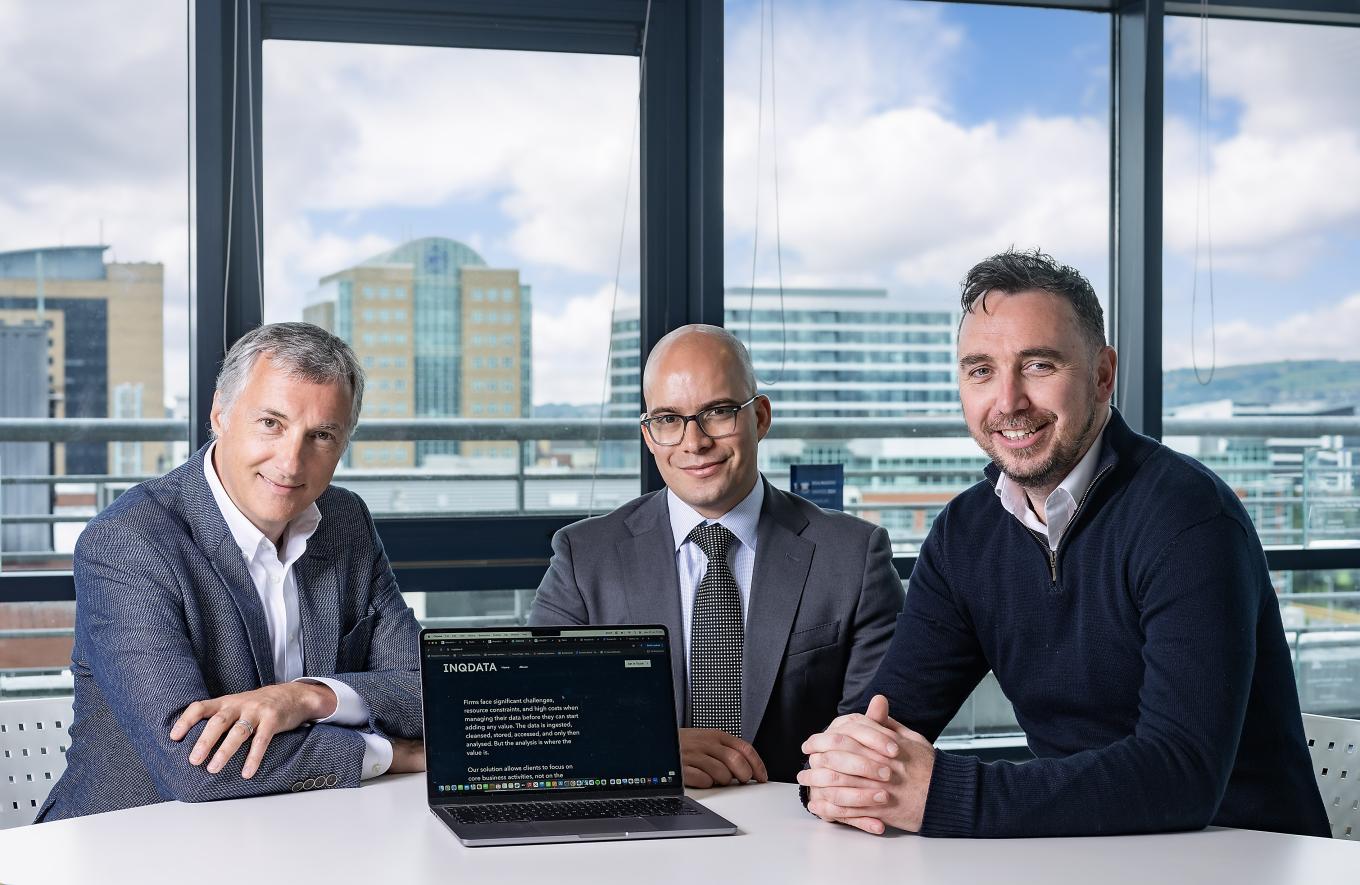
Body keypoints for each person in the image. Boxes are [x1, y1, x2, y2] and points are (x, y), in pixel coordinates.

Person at [799, 249, 1330, 838]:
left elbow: (1181, 775)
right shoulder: (965, 535)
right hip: (1079, 854)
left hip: (1238, 859)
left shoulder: (1189, 518)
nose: (1007, 402)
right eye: (980, 371)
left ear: (1102, 375)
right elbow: (888, 719)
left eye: (1039, 366)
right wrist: (843, 767)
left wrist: (945, 795)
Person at [39, 322, 425, 821]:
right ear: (220, 414)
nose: (290, 462)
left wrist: (310, 697)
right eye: (271, 423)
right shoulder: (128, 541)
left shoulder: (345, 521)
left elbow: (426, 689)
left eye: (322, 435)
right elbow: (196, 762)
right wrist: (389, 754)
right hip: (137, 841)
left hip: (309, 827)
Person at [530, 324, 903, 786]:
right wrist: (650, 747)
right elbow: (537, 719)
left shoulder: (852, 557)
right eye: (668, 419)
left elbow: (871, 742)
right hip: (638, 832)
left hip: (799, 831)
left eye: (718, 412)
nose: (694, 442)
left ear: (760, 417)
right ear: (648, 436)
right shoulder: (584, 558)